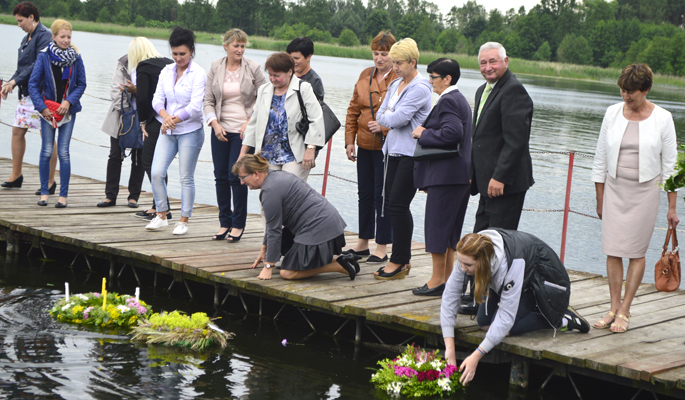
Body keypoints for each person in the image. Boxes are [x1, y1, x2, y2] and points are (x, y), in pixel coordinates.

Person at [591, 63, 679, 333]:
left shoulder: (663, 118)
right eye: (623, 90)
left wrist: (672, 208)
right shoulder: (612, 113)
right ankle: (613, 307)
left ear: (646, 90)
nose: (626, 96)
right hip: (615, 190)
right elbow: (600, 159)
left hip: (645, 192)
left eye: (631, 92)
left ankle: (625, 310)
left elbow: (671, 167)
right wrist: (600, 198)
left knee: (636, 252)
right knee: (613, 249)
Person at [441, 230, 590, 385]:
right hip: (506, 281)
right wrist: (449, 348)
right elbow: (450, 297)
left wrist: (476, 356)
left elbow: (505, 318)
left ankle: (560, 318)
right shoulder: (468, 252)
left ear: (483, 262)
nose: (462, 268)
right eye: (460, 263)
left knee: (507, 329)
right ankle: (530, 311)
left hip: (541, 285)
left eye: (468, 265)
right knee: (485, 324)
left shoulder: (513, 263)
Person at [233, 154, 359, 280]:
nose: (241, 182)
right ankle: (344, 260)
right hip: (329, 223)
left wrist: (268, 267)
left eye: (243, 177)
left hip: (319, 228)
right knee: (283, 249)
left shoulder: (269, 190)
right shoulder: (275, 176)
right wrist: (263, 250)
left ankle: (338, 266)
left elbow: (274, 230)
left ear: (256, 174)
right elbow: (273, 223)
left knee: (287, 272)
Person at [411, 58, 472, 296]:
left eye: (433, 77)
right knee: (449, 232)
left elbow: (453, 132)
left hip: (445, 177)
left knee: (437, 228)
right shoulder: (461, 99)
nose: (430, 81)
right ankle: (447, 281)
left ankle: (437, 280)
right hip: (458, 176)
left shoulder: (448, 100)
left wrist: (424, 133)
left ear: (447, 79)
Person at [371, 38, 431, 280]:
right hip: (392, 151)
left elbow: (396, 120)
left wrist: (388, 115)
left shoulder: (420, 88)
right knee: (390, 204)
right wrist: (388, 115)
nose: (394, 67)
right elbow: (380, 112)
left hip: (411, 154)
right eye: (393, 62)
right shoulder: (396, 83)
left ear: (413, 62)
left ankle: (400, 258)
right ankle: (401, 257)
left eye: (399, 63)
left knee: (398, 204)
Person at [204, 28, 267, 242]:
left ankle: (238, 224)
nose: (240, 49)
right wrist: (214, 123)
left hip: (243, 132)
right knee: (220, 176)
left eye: (242, 46)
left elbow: (265, 97)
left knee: (237, 176)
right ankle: (224, 222)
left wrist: (250, 123)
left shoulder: (254, 68)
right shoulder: (215, 67)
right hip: (220, 129)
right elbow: (208, 100)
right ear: (226, 46)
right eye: (236, 46)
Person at [343, 31, 397, 265]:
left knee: (382, 196)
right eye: (376, 53)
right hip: (364, 144)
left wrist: (384, 127)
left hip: (387, 148)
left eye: (384, 54)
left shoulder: (399, 78)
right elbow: (353, 110)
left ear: (393, 55)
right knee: (364, 194)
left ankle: (382, 246)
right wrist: (348, 141)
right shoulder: (365, 75)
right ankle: (363, 241)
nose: (379, 58)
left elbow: (407, 116)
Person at [145, 27, 206, 235]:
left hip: (190, 131)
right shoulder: (166, 71)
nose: (178, 58)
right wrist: (165, 117)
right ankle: (161, 215)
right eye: (175, 54)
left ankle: (183, 220)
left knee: (185, 177)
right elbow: (156, 99)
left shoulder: (198, 74)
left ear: (191, 51)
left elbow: (196, 107)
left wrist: (174, 120)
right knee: (156, 172)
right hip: (168, 130)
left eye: (182, 54)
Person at [470, 42, 534, 232]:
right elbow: (481, 138)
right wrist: (472, 174)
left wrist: (500, 177)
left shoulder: (513, 90)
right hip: (486, 183)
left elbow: (516, 142)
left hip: (505, 184)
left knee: (497, 242)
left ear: (505, 61)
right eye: (483, 63)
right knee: (481, 240)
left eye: (493, 61)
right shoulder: (483, 90)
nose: (487, 67)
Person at [28, 18, 86, 208]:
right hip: (48, 113)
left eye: (69, 37)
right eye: (63, 37)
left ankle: (63, 195)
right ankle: (44, 192)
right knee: (46, 151)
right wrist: (42, 108)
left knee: (64, 152)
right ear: (54, 37)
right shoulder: (44, 56)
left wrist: (69, 101)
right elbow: (33, 85)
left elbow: (81, 84)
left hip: (68, 113)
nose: (67, 40)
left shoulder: (76, 57)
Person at [240, 52, 324, 181]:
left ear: (290, 72)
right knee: (267, 196)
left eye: (277, 76)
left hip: (293, 155)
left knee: (290, 194)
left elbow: (316, 119)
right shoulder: (264, 90)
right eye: (270, 75)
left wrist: (311, 149)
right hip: (266, 155)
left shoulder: (304, 88)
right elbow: (254, 122)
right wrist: (242, 154)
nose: (273, 79)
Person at [1, 2, 57, 193]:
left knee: (47, 136)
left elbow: (36, 65)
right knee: (17, 131)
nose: (18, 25)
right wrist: (9, 83)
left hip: (42, 94)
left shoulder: (46, 36)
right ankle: (16, 175)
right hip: (26, 94)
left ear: (31, 17)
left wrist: (15, 81)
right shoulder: (27, 38)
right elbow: (21, 67)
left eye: (20, 21)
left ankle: (50, 182)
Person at [129, 37, 174, 221]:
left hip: (156, 119)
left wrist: (142, 121)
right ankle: (159, 206)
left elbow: (142, 98)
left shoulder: (144, 66)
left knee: (149, 162)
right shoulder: (169, 62)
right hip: (173, 118)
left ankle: (163, 208)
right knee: (160, 164)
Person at [97, 52, 145, 209]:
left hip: (143, 117)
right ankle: (110, 195)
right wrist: (126, 111)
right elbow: (115, 89)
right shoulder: (123, 63)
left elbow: (153, 94)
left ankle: (133, 197)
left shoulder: (152, 66)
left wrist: (137, 91)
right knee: (115, 154)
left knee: (139, 157)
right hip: (120, 114)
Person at [286, 37, 324, 101]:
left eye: (296, 58)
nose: (293, 62)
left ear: (308, 57)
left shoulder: (315, 81)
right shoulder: (286, 75)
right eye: (290, 58)